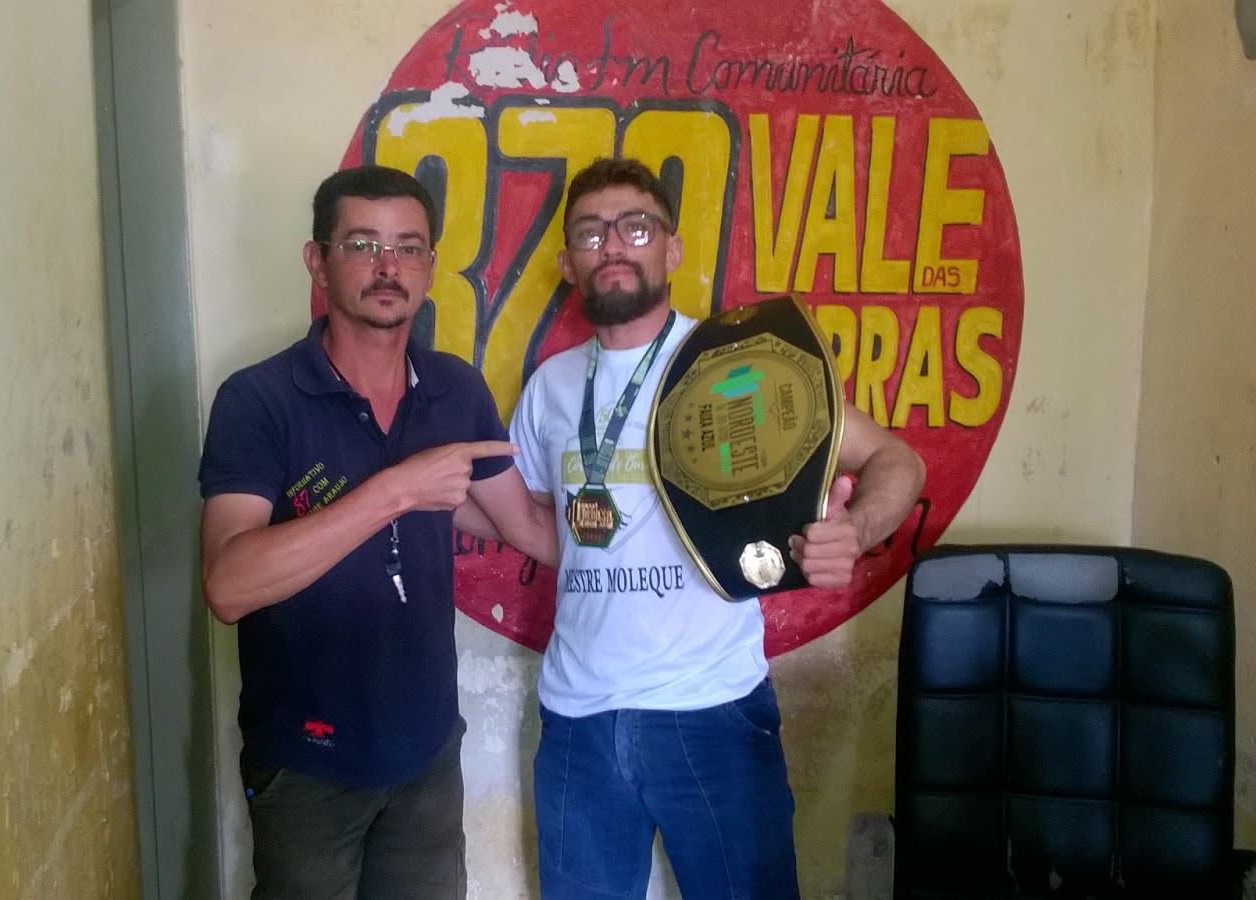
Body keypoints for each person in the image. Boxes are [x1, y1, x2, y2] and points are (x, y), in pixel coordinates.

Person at [509, 158, 927, 899]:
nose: (614, 244)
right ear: (569, 261)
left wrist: (857, 529)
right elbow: (557, 532)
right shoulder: (551, 387)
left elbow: (899, 461)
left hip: (712, 712)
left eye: (636, 227)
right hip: (578, 718)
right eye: (591, 232)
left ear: (671, 249)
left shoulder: (739, 361)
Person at [197, 165, 557, 900]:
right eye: (362, 244)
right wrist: (398, 490)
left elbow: (528, 527)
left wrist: (670, 526)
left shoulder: (455, 389)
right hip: (306, 763)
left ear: (430, 267)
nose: (387, 266)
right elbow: (228, 586)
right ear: (317, 261)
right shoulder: (257, 399)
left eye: (408, 247)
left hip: (427, 754)